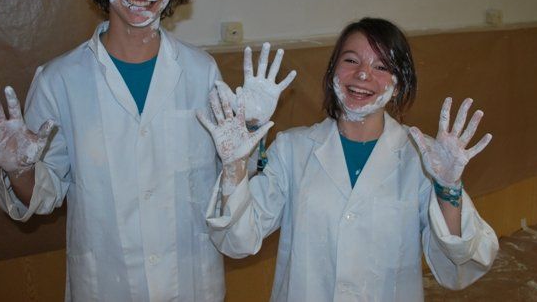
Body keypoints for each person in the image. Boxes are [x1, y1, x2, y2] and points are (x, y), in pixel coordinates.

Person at [0, 0, 294, 301]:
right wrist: (19, 170)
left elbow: (227, 177)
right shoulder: (59, 80)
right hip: (106, 283)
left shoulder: (201, 71)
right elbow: (43, 196)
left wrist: (248, 137)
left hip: (190, 280)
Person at [197, 17, 499, 302]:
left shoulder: (424, 158)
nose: (363, 74)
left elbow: (459, 268)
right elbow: (237, 240)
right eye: (351, 60)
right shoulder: (292, 149)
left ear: (398, 84)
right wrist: (235, 165)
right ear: (332, 72)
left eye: (381, 66)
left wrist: (447, 190)